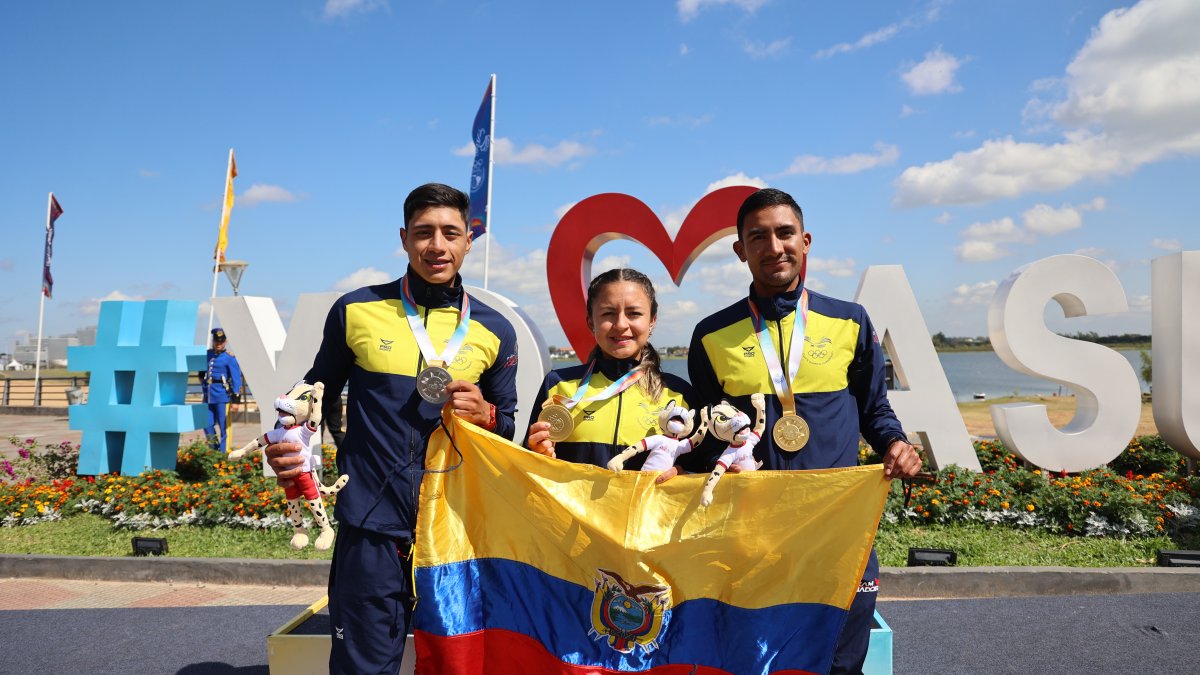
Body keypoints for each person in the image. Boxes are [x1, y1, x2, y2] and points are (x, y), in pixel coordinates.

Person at [265, 183, 519, 674]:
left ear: (469, 240)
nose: (436, 246)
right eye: (424, 233)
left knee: (456, 665)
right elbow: (308, 395)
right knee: (364, 666)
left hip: (456, 529)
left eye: (450, 233)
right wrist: (285, 438)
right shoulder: (355, 309)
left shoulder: (495, 329)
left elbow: (507, 428)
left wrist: (486, 414)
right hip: (371, 523)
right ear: (404, 239)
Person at [687, 187, 921, 675]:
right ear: (740, 250)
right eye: (758, 237)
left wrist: (896, 444)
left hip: (837, 530)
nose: (774, 247)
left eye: (784, 233)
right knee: (751, 661)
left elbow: (875, 409)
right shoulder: (711, 334)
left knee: (839, 663)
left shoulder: (851, 321)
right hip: (750, 536)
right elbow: (706, 438)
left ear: (805, 240)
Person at [525, 268, 697, 476]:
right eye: (608, 313)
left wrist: (683, 471)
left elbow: (698, 465)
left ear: (652, 321)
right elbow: (529, 466)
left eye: (634, 313)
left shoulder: (679, 395)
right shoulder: (557, 385)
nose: (621, 324)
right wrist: (536, 453)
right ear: (591, 322)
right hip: (571, 509)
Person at [199, 327, 242, 453]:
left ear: (225, 342)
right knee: (206, 424)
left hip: (222, 397)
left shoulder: (229, 358)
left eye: (221, 342)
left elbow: (236, 379)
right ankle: (214, 449)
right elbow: (202, 373)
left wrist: (235, 401)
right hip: (208, 396)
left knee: (224, 428)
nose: (219, 344)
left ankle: (223, 454)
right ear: (213, 341)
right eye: (217, 342)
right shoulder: (208, 354)